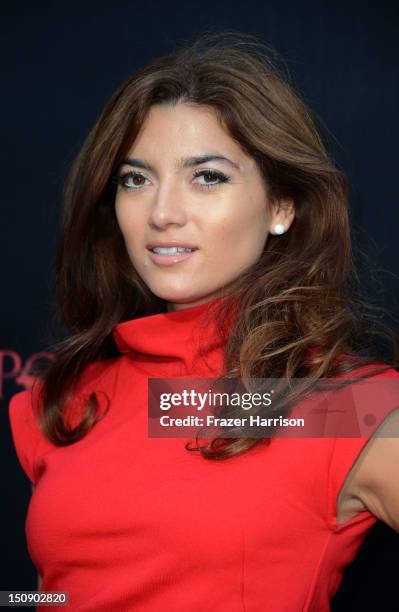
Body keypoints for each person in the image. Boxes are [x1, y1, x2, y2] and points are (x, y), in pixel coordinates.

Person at [8, 32, 399, 611]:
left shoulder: (337, 406)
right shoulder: (69, 401)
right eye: (135, 179)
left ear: (281, 206)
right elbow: (57, 594)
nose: (162, 213)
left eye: (208, 177)